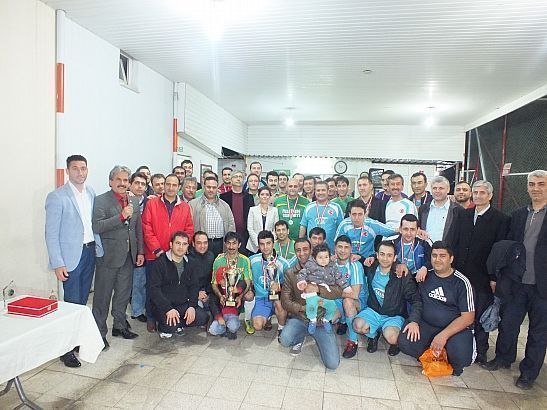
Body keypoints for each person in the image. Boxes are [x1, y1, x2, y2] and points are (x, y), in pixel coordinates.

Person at [482, 170, 547, 390]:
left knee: (538, 332)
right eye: (532, 184)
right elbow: (507, 247)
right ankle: (503, 357)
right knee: (508, 324)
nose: (536, 188)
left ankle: (528, 373)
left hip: (542, 286)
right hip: (516, 283)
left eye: (541, 184)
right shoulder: (518, 215)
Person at [45, 154, 104, 367]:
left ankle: (77, 340)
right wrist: (58, 263)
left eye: (83, 168)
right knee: (71, 303)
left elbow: (92, 224)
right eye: (76, 168)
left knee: (82, 302)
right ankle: (66, 350)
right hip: (70, 258)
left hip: (89, 252)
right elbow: (51, 234)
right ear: (68, 171)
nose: (80, 172)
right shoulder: (57, 197)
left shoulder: (91, 192)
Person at [446, 180, 509, 365]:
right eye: (476, 192)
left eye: (483, 193)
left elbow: (499, 251)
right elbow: (453, 241)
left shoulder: (500, 219)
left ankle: (481, 351)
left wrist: (493, 277)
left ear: (490, 195)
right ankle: (457, 346)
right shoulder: (462, 215)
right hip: (460, 273)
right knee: (458, 311)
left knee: (480, 313)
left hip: (483, 276)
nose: (478, 196)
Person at [399, 242, 476, 376]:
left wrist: (443, 336)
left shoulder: (462, 283)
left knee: (462, 358)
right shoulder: (424, 276)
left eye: (442, 256)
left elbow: (468, 318)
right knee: (405, 342)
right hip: (427, 324)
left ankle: (446, 355)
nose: (437, 259)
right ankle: (434, 355)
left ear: (451, 259)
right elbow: (409, 287)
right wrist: (413, 321)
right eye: (434, 256)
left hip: (453, 330)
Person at [92, 165, 144, 346]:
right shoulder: (100, 200)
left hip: (128, 256)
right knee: (102, 297)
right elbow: (97, 226)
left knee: (123, 294)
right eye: (118, 180)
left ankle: (120, 326)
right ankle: (99, 334)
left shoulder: (133, 200)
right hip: (108, 257)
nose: (122, 183)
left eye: (125, 180)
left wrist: (140, 251)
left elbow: (137, 228)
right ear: (110, 182)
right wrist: (121, 216)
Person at [280, 238, 343, 368]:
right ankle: (301, 337)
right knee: (284, 340)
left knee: (332, 364)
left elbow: (338, 291)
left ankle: (316, 334)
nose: (302, 253)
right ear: (295, 252)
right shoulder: (290, 273)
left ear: (311, 251)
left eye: (305, 249)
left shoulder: (328, 268)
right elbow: (285, 302)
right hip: (300, 318)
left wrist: (318, 289)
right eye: (298, 250)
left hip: (321, 321)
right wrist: (305, 308)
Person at [353, 241, 422, 356]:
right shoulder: (371, 267)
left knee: (391, 337)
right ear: (377, 255)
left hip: (394, 315)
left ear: (395, 258)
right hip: (374, 310)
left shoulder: (402, 274)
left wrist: (414, 320)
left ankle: (395, 342)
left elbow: (416, 300)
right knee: (357, 325)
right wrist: (359, 257)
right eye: (382, 254)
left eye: (389, 255)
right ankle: (373, 335)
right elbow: (363, 260)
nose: (385, 258)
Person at [148, 231, 208, 339]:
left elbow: (194, 287)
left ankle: (178, 323)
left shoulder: (191, 263)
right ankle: (166, 325)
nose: (181, 247)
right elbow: (154, 290)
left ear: (188, 246)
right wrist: (168, 309)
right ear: (171, 244)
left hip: (183, 304)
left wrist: (192, 306)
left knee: (202, 317)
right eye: (178, 243)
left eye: (184, 244)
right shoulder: (160, 263)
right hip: (164, 306)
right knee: (170, 326)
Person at [296, 244, 352, 333]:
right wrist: (302, 282)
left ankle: (326, 320)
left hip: (326, 292)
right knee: (311, 305)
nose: (323, 260)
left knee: (332, 306)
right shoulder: (310, 265)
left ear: (329, 257)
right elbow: (302, 273)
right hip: (313, 292)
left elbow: (339, 277)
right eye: (320, 257)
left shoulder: (332, 266)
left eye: (326, 257)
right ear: (315, 258)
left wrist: (345, 286)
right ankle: (312, 320)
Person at [209, 232, 253, 338]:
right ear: (225, 244)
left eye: (234, 243)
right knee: (213, 330)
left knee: (249, 295)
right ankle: (221, 321)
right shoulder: (218, 261)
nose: (231, 246)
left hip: (238, 292)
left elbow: (248, 283)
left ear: (239, 244)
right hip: (223, 295)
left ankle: (246, 320)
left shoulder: (245, 260)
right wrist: (220, 296)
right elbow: (214, 284)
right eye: (228, 243)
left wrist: (240, 296)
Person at [142, 174, 194, 262]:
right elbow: (146, 228)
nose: (171, 188)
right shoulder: (151, 204)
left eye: (174, 185)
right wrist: (157, 249)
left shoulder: (185, 207)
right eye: (168, 184)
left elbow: (189, 230)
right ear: (164, 185)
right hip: (155, 255)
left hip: (177, 256)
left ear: (179, 187)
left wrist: (180, 248)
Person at [249, 230, 289, 340]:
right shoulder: (252, 260)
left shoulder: (283, 263)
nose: (265, 247)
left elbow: (290, 285)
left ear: (273, 243)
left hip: (277, 297)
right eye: (262, 244)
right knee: (257, 326)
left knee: (279, 304)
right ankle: (268, 317)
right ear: (258, 245)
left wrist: (279, 286)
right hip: (261, 298)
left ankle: (281, 328)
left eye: (268, 243)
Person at [332, 236, 366, 359]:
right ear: (335, 248)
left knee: (347, 301)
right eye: (340, 247)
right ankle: (343, 321)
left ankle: (353, 341)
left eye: (346, 247)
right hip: (337, 299)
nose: (343, 250)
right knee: (328, 318)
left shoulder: (355, 265)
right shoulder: (331, 264)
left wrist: (331, 292)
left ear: (351, 249)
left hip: (357, 302)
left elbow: (354, 294)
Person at [335, 199, 398, 264]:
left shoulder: (372, 224)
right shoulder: (344, 225)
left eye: (360, 214)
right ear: (349, 214)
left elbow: (392, 231)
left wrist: (402, 229)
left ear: (365, 214)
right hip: (349, 260)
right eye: (354, 214)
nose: (357, 218)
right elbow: (336, 244)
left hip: (367, 261)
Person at [189, 176, 235, 257]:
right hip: (202, 244)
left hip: (220, 244)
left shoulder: (225, 205)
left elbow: (231, 225)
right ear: (204, 187)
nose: (211, 190)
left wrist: (230, 243)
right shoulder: (193, 204)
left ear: (217, 188)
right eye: (208, 187)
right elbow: (189, 226)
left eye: (214, 187)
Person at [128, 172, 149, 323]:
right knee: (128, 283)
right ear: (130, 184)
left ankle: (138, 310)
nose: (140, 186)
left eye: (143, 184)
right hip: (128, 247)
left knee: (140, 281)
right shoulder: (125, 200)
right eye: (137, 183)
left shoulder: (150, 202)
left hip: (145, 247)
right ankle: (131, 310)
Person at [300, 181, 344, 251]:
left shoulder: (336, 207)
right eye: (318, 190)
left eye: (323, 190)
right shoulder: (309, 207)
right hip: (311, 250)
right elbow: (303, 226)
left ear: (328, 191)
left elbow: (341, 229)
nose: (320, 193)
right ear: (314, 192)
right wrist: (301, 244)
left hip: (330, 250)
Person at [220, 170, 254, 254]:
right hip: (228, 235)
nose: (238, 179)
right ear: (231, 180)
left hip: (244, 236)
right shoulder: (224, 197)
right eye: (236, 177)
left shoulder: (249, 197)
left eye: (240, 177)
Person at [419, 176, 461, 243]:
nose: (437, 191)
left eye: (441, 188)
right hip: (426, 248)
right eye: (434, 188)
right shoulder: (423, 209)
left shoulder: (457, 210)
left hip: (448, 248)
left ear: (448, 190)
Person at [188, 231, 216, 320]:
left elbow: (211, 278)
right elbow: (184, 283)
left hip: (207, 292)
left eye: (205, 243)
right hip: (191, 293)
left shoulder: (211, 256)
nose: (202, 246)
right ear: (193, 244)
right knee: (200, 314)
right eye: (199, 243)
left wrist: (207, 293)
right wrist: (196, 294)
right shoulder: (187, 259)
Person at [247, 187, 279, 253]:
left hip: (269, 247)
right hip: (254, 247)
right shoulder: (252, 210)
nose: (264, 196)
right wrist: (259, 244)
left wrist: (269, 243)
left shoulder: (274, 210)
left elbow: (275, 229)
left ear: (270, 196)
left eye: (267, 194)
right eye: (262, 194)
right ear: (258, 196)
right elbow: (250, 229)